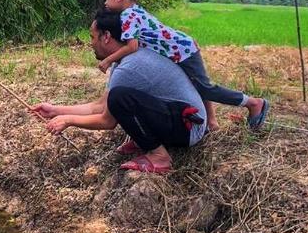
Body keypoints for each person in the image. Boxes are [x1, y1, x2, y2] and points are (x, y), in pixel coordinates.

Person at [31, 9, 208, 173]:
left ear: (106, 36)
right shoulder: (121, 61)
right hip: (178, 118)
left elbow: (107, 121)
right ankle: (147, 142)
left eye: (92, 37)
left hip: (190, 127)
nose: (90, 43)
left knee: (120, 98)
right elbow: (100, 105)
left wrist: (69, 120)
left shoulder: (129, 67)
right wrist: (55, 110)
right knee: (117, 99)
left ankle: (160, 157)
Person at [97, 0, 269, 132]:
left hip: (182, 52)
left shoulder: (127, 15)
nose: (105, 2)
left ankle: (253, 103)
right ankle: (212, 122)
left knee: (205, 88)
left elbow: (132, 46)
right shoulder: (135, 11)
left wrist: (108, 60)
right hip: (181, 49)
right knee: (198, 85)